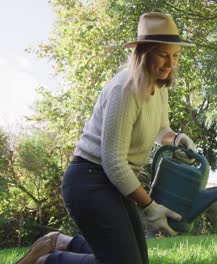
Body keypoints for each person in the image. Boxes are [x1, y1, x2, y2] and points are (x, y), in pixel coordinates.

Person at [17, 12, 197, 264]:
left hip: (117, 184)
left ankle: (60, 242)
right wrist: (150, 206)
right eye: (163, 54)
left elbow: (160, 129)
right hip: (89, 181)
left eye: (175, 55)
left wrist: (176, 139)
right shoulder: (125, 89)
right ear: (143, 53)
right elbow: (113, 162)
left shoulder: (158, 87)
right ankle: (47, 261)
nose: (170, 63)